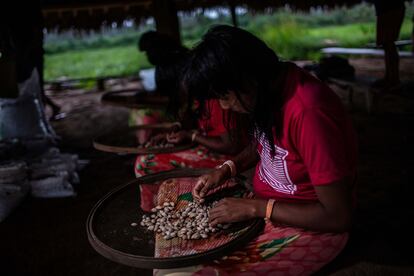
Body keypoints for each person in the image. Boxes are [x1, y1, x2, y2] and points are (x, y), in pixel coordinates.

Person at [176, 25, 358, 275]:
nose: (224, 106)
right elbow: (266, 142)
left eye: (225, 96)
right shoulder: (270, 89)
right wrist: (228, 168)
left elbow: (338, 216)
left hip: (311, 225)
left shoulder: (309, 113)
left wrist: (258, 208)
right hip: (269, 206)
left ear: (246, 79)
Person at [371, 0, 406, 92]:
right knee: (386, 44)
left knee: (388, 43)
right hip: (384, 11)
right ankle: (389, 77)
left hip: (391, 10)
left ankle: (394, 78)